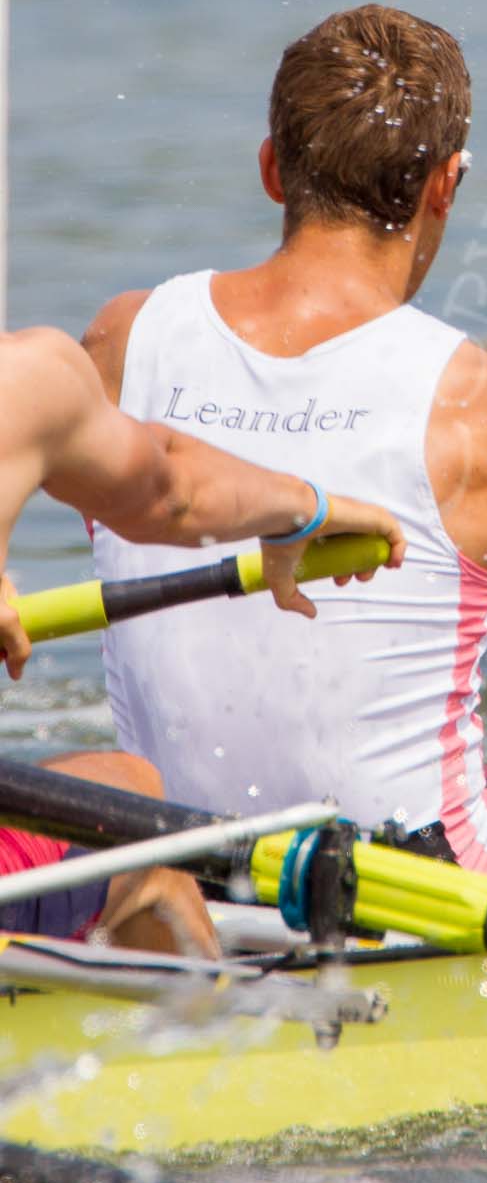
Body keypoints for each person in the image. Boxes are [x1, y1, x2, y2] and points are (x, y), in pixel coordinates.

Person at [81, 4, 487, 913]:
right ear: (446, 186)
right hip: (404, 890)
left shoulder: (124, 340)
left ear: (273, 170)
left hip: (176, 860)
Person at [1, 325, 409, 954]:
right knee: (135, 811)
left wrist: (302, 505)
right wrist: (306, 507)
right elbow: (171, 493)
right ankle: (215, 1031)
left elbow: (169, 475)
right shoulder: (26, 380)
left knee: (117, 774)